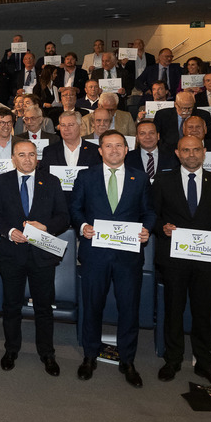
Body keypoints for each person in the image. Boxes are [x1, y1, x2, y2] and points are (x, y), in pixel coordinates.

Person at [69, 130, 156, 388]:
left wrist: (147, 229)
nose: (114, 150)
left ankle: (127, 360)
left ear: (127, 149)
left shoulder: (140, 178)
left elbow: (149, 212)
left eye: (119, 145)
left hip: (128, 257)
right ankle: (89, 356)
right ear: (100, 150)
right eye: (108, 146)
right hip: (94, 254)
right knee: (92, 306)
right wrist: (82, 225)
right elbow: (75, 208)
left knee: (129, 309)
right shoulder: (86, 176)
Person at [151, 135, 211, 389]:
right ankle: (173, 359)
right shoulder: (163, 181)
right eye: (185, 150)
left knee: (202, 312)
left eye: (196, 150)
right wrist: (161, 227)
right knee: (173, 310)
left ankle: (204, 363)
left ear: (204, 152)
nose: (191, 155)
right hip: (173, 259)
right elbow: (151, 216)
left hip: (206, 261)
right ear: (177, 153)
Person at [0, 140, 70, 375]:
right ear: (13, 158)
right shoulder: (2, 182)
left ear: (37, 157)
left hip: (42, 255)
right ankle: (11, 349)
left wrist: (45, 226)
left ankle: (47, 353)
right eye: (21, 155)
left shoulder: (51, 182)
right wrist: (10, 232)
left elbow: (64, 216)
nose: (26, 159)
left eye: (31, 154)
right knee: (11, 306)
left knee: (44, 307)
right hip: (12, 254)